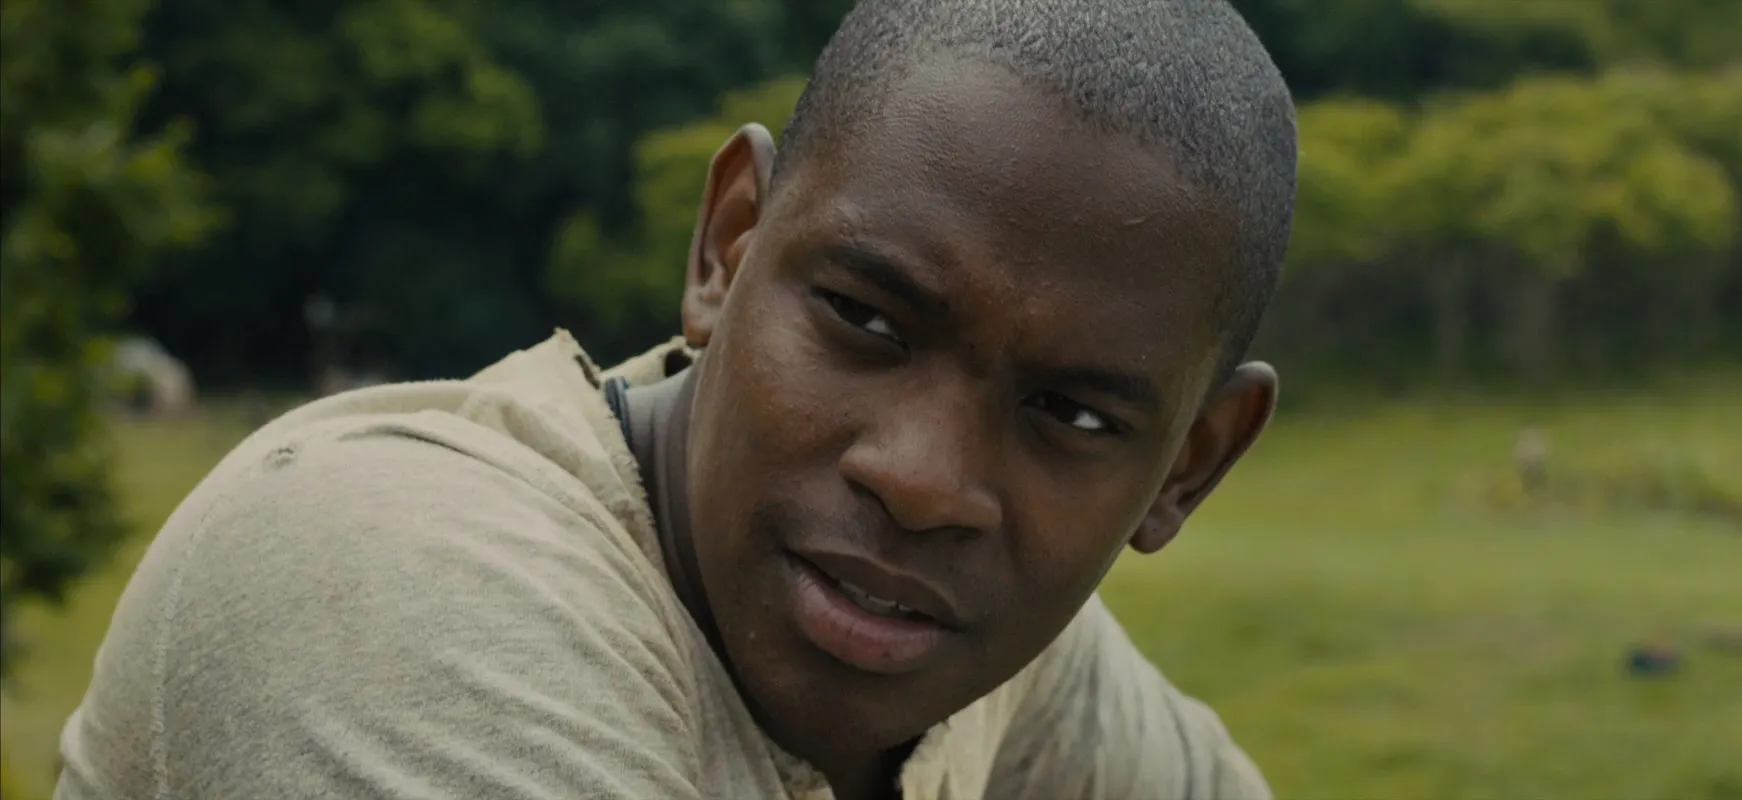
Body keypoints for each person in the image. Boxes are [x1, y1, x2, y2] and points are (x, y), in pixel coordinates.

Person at [55, 0, 1297, 797]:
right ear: (727, 245)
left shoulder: (995, 655)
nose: (923, 480)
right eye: (866, 320)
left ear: (1188, 465)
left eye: (1071, 415)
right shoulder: (391, 577)